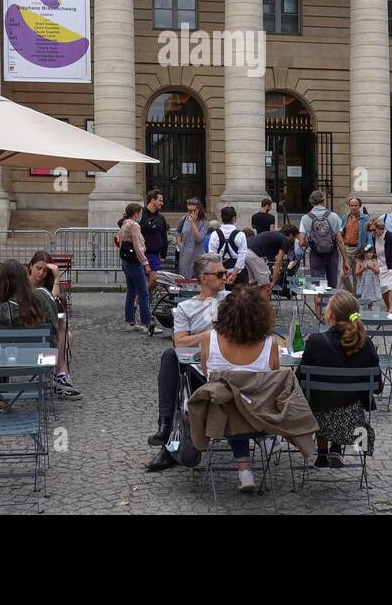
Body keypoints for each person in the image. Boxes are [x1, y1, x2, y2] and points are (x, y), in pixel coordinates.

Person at [145, 254, 231, 471]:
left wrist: (205, 336)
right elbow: (179, 342)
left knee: (177, 374)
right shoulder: (186, 307)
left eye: (225, 273)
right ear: (204, 278)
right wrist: (206, 336)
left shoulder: (231, 300)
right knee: (170, 357)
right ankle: (166, 425)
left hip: (228, 368)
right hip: (198, 369)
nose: (225, 278)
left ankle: (168, 442)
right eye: (220, 274)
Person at [191, 285, 281, 492]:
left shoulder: (208, 338)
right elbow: (274, 380)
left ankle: (245, 471)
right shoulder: (271, 344)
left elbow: (207, 374)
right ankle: (266, 440)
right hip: (259, 416)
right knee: (246, 400)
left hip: (222, 418)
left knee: (231, 401)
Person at [299, 290, 382, 469]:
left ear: (331, 314)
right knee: (342, 401)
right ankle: (336, 449)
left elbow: (300, 381)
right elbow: (377, 387)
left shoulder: (315, 341)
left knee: (322, 400)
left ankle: (322, 455)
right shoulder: (365, 344)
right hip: (354, 422)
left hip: (317, 421)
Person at [29, 251, 80, 398]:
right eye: (38, 268)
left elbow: (56, 304)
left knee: (66, 332)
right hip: (25, 330)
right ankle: (61, 373)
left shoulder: (47, 286)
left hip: (41, 331)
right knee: (64, 330)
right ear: (30, 266)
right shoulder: (22, 283)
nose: (41, 273)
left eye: (45, 271)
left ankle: (60, 374)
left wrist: (57, 278)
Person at [116, 203, 161, 334]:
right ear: (136, 213)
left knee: (131, 291)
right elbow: (138, 246)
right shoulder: (134, 226)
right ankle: (147, 324)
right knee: (143, 292)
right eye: (140, 213)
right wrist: (145, 263)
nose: (141, 215)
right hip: (135, 262)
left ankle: (130, 321)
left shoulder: (124, 224)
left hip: (126, 261)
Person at [300, 190, 346, 291]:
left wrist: (311, 243)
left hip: (315, 253)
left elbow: (301, 242)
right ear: (324, 200)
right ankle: (331, 306)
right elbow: (340, 241)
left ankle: (318, 307)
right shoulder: (334, 216)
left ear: (311, 202)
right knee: (332, 284)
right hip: (332, 253)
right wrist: (345, 261)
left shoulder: (305, 218)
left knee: (316, 286)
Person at [248, 225, 299, 292]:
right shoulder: (284, 240)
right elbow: (278, 262)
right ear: (290, 235)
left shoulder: (276, 235)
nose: (295, 239)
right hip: (255, 255)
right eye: (295, 237)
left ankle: (249, 301)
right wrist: (274, 281)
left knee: (253, 283)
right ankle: (264, 302)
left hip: (247, 252)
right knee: (266, 285)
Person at [139, 189, 169, 293]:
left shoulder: (161, 218)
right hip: (140, 254)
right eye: (160, 201)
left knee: (154, 280)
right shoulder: (140, 214)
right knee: (140, 282)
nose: (162, 203)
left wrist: (164, 254)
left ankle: (138, 300)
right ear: (152, 200)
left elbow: (164, 236)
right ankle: (142, 303)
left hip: (154, 255)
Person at [370, 215, 392, 313]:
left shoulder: (388, 235)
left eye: (374, 230)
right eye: (372, 230)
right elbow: (375, 251)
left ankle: (391, 310)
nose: (373, 232)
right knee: (383, 288)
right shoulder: (373, 237)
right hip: (381, 265)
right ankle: (388, 307)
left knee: (391, 286)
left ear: (380, 228)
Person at [207, 205, 248, 280]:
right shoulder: (240, 235)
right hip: (237, 273)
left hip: (219, 273)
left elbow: (212, 256)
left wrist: (223, 272)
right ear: (234, 218)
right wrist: (234, 275)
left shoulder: (214, 234)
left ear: (222, 219)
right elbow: (242, 256)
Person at [175, 198, 209, 279]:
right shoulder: (183, 219)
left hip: (197, 256)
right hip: (184, 256)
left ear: (199, 209)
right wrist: (179, 243)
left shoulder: (204, 222)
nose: (191, 213)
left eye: (193, 210)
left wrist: (193, 223)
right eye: (189, 210)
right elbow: (177, 232)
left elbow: (199, 239)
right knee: (184, 280)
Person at [341, 196, 371, 274]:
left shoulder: (365, 218)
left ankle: (356, 287)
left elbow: (369, 236)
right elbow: (341, 232)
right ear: (349, 206)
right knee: (343, 275)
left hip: (359, 249)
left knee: (357, 276)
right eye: (351, 205)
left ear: (359, 206)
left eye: (355, 205)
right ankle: (348, 287)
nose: (353, 208)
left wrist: (368, 249)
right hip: (346, 249)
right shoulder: (345, 217)